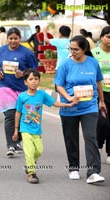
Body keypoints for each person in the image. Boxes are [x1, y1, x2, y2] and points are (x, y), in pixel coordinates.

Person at [55, 35, 106, 184]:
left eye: (76, 49)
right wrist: (69, 98)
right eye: (71, 49)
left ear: (84, 49)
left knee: (90, 136)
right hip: (70, 107)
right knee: (71, 138)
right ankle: (74, 168)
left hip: (89, 107)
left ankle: (93, 172)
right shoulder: (65, 64)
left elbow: (98, 82)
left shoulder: (92, 63)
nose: (73, 51)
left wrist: (101, 101)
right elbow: (59, 85)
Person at [13, 68, 74, 184]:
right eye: (31, 79)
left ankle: (30, 164)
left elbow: (54, 103)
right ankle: (31, 173)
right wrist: (16, 130)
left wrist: (67, 104)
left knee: (39, 151)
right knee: (29, 151)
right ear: (25, 82)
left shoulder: (41, 94)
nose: (34, 81)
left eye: (36, 79)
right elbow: (18, 113)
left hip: (37, 129)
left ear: (39, 81)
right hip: (25, 128)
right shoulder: (22, 97)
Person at [0, 27, 37, 157]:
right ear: (7, 39)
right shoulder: (0, 51)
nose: (13, 41)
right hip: (5, 86)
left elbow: (34, 70)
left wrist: (23, 73)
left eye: (16, 38)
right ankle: (10, 145)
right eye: (11, 38)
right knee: (10, 115)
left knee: (25, 116)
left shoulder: (27, 53)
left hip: (23, 88)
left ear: (20, 38)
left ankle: (18, 141)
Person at [91, 26, 110, 165]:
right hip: (99, 93)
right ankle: (98, 145)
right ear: (102, 37)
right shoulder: (94, 53)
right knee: (103, 122)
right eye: (108, 36)